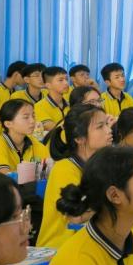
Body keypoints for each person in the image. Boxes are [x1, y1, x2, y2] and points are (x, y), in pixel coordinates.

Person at [38, 104, 114, 248]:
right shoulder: (64, 169)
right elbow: (77, 217)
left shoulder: (100, 165)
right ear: (79, 138)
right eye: (100, 127)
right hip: (60, 248)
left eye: (107, 124)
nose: (109, 131)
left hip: (90, 242)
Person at [0, 99, 50, 174]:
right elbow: (3, 176)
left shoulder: (33, 142)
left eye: (33, 116)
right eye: (26, 117)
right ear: (8, 124)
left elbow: (48, 167)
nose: (32, 121)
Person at [34, 66, 70, 132]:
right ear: (48, 85)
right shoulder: (39, 106)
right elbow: (53, 128)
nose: (66, 83)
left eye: (66, 79)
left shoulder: (70, 105)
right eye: (60, 80)